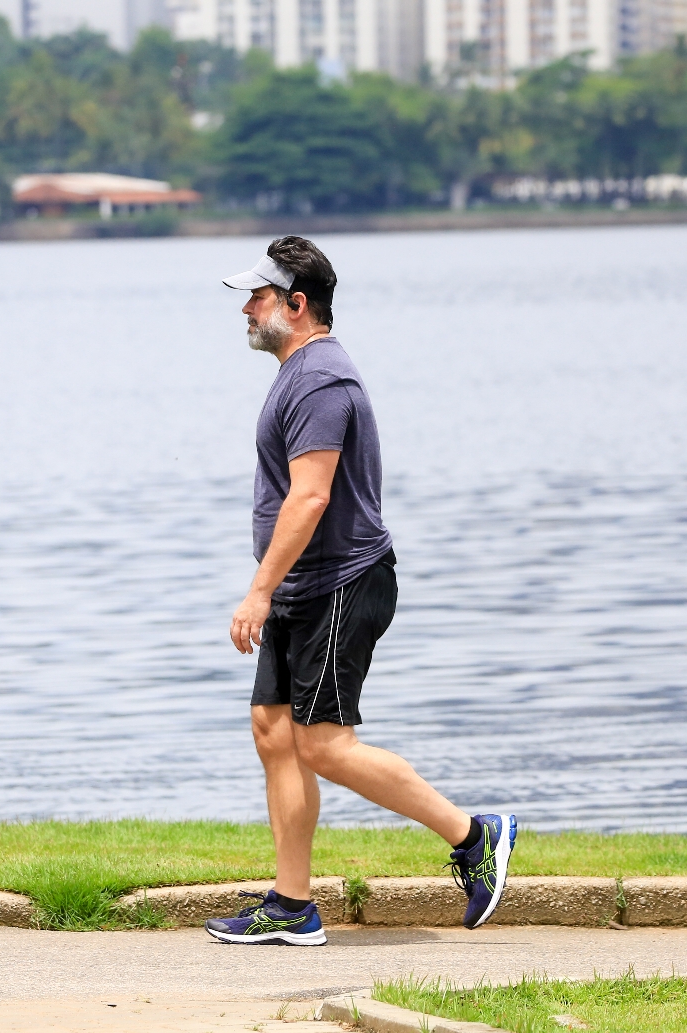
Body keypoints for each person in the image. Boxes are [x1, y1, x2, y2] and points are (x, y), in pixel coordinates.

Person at [205, 236, 516, 947]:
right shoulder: (298, 372)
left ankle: (475, 836)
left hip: (341, 582)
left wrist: (257, 591)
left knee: (322, 743)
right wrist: (273, 588)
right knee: (274, 731)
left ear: (297, 303)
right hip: (303, 585)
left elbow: (310, 498)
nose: (247, 308)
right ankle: (291, 904)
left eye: (258, 296)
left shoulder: (320, 380)